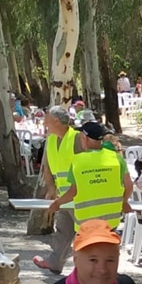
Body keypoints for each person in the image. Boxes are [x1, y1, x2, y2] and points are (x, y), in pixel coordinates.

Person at [48, 121, 132, 235]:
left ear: (84, 138)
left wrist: (57, 203)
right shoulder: (116, 158)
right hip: (111, 222)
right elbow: (129, 185)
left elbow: (73, 191)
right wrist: (124, 202)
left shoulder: (77, 161)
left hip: (85, 224)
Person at [34, 107, 79, 273]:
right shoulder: (51, 140)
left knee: (83, 233)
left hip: (79, 197)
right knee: (63, 230)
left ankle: (84, 268)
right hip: (63, 196)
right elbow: (46, 166)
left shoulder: (76, 139)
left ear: (56, 121)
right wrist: (51, 188)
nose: (44, 123)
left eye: (47, 120)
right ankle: (55, 263)